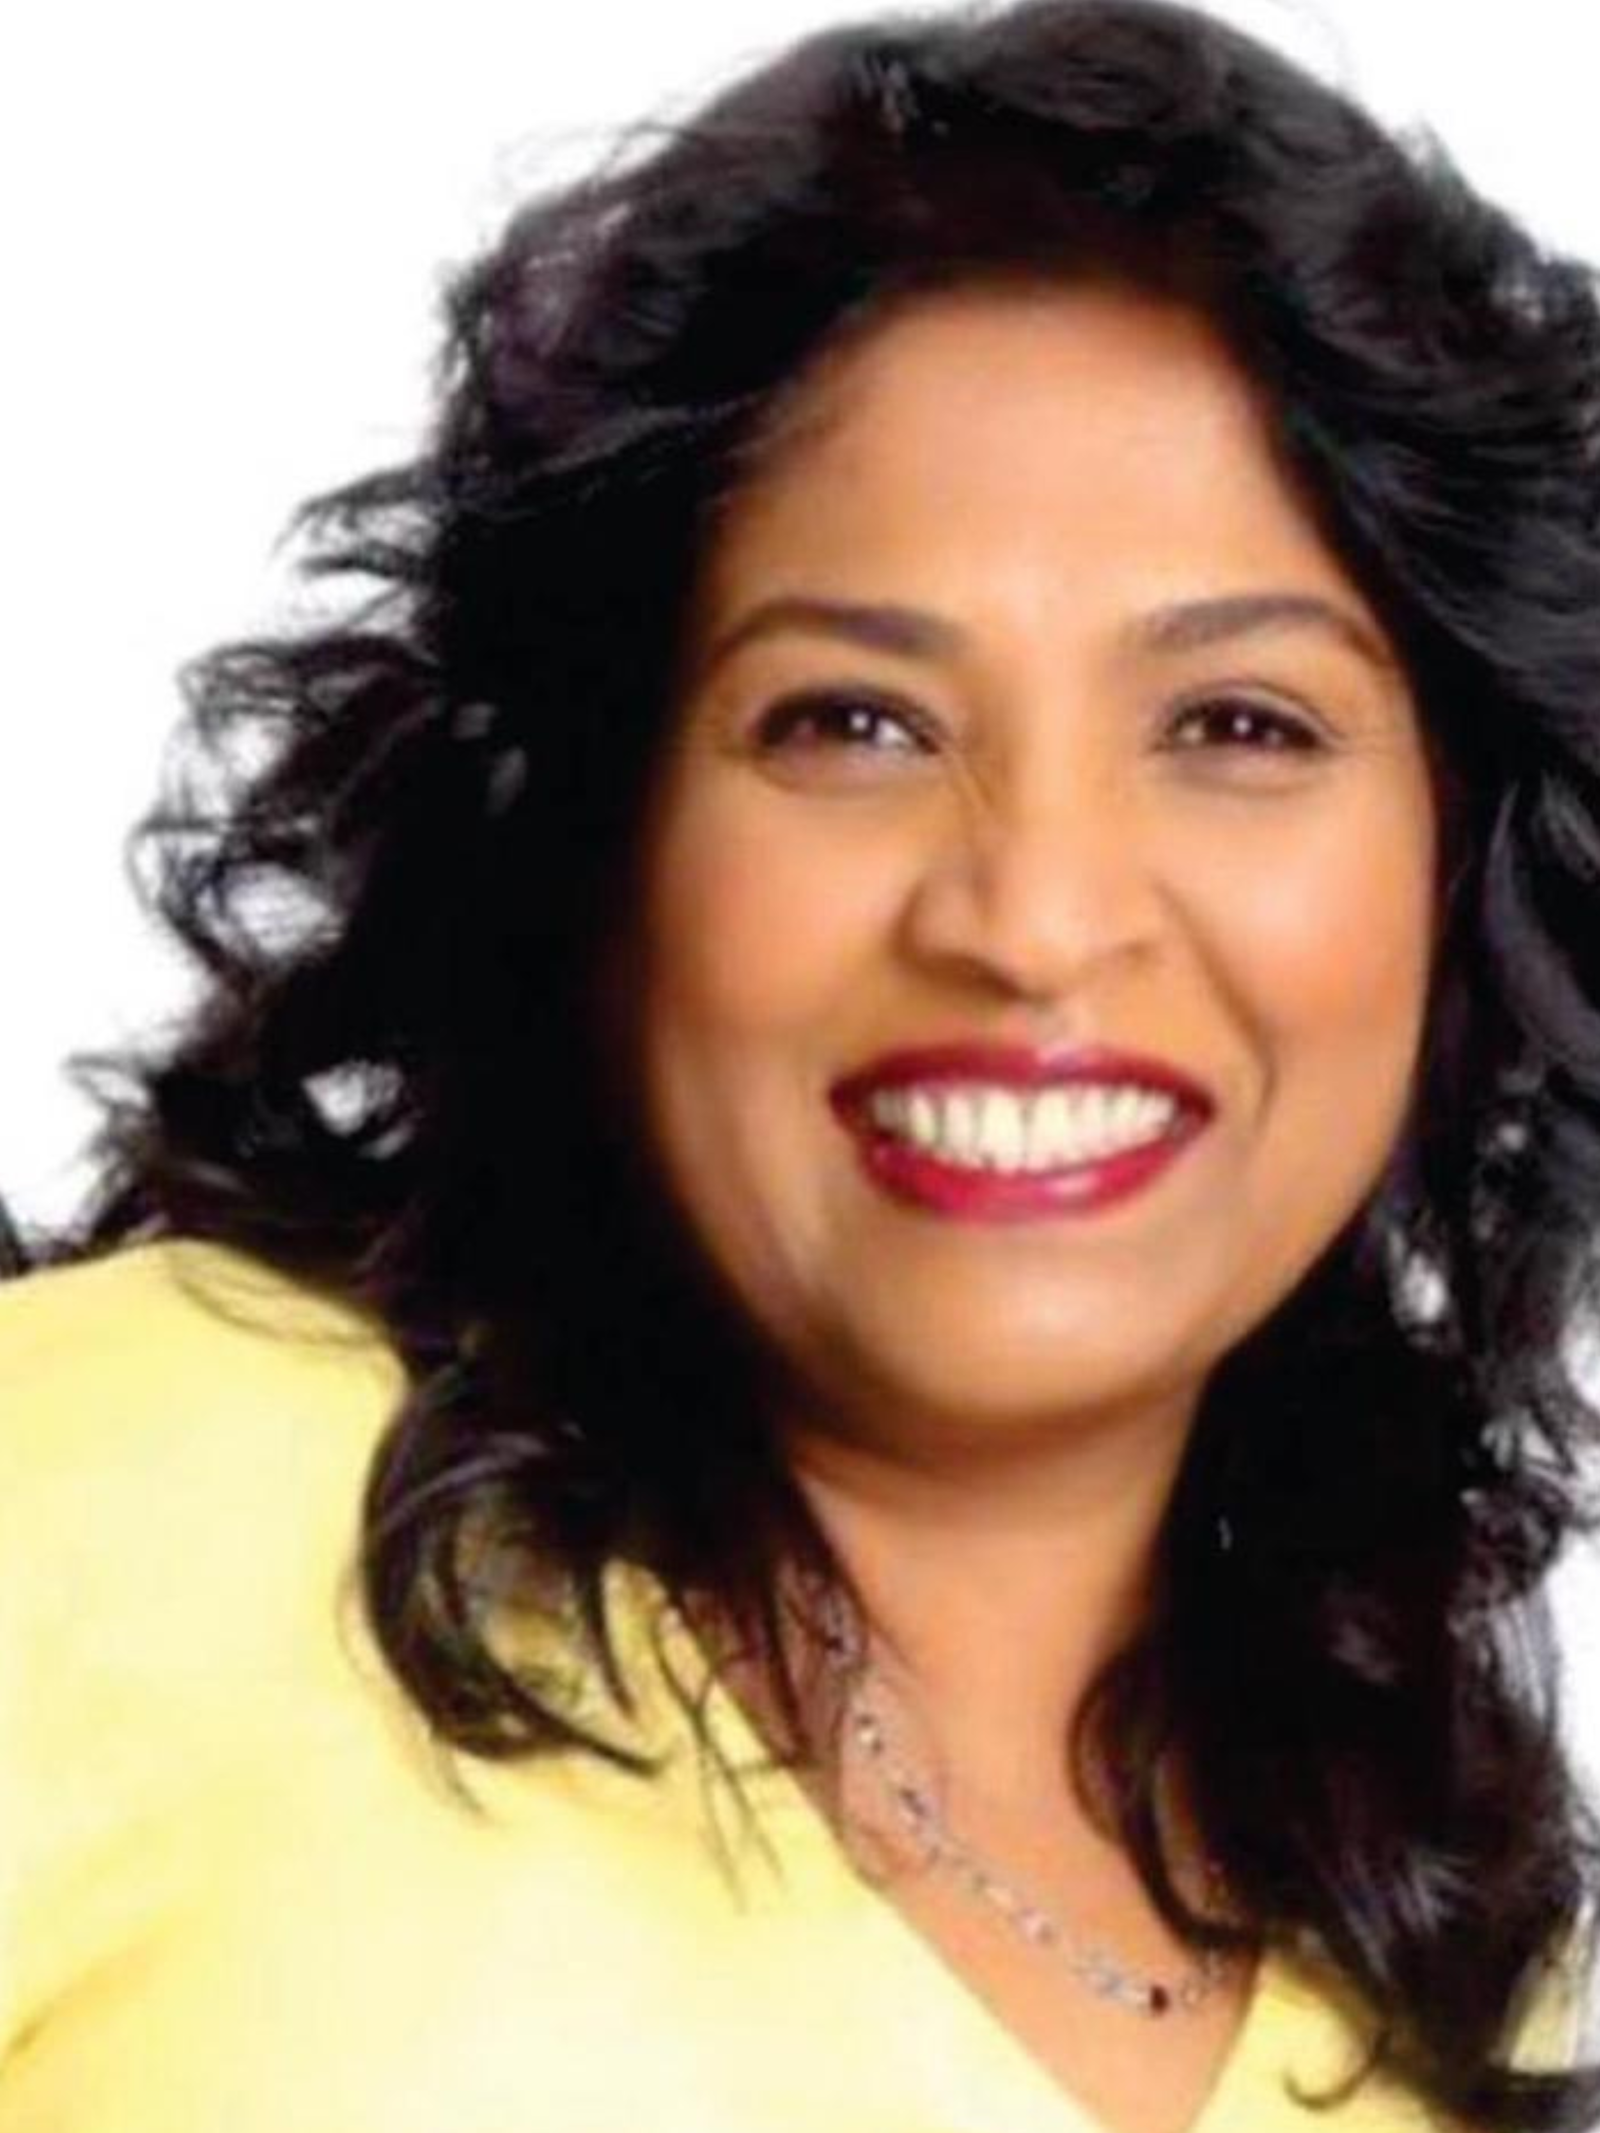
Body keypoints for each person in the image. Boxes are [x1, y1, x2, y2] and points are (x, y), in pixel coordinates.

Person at [2, 1, 1599, 2126]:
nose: (1033, 915)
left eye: (1237, 726)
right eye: (850, 721)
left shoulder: (1451, 1975)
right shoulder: (126, 1489)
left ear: (1463, 869)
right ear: (603, 836)